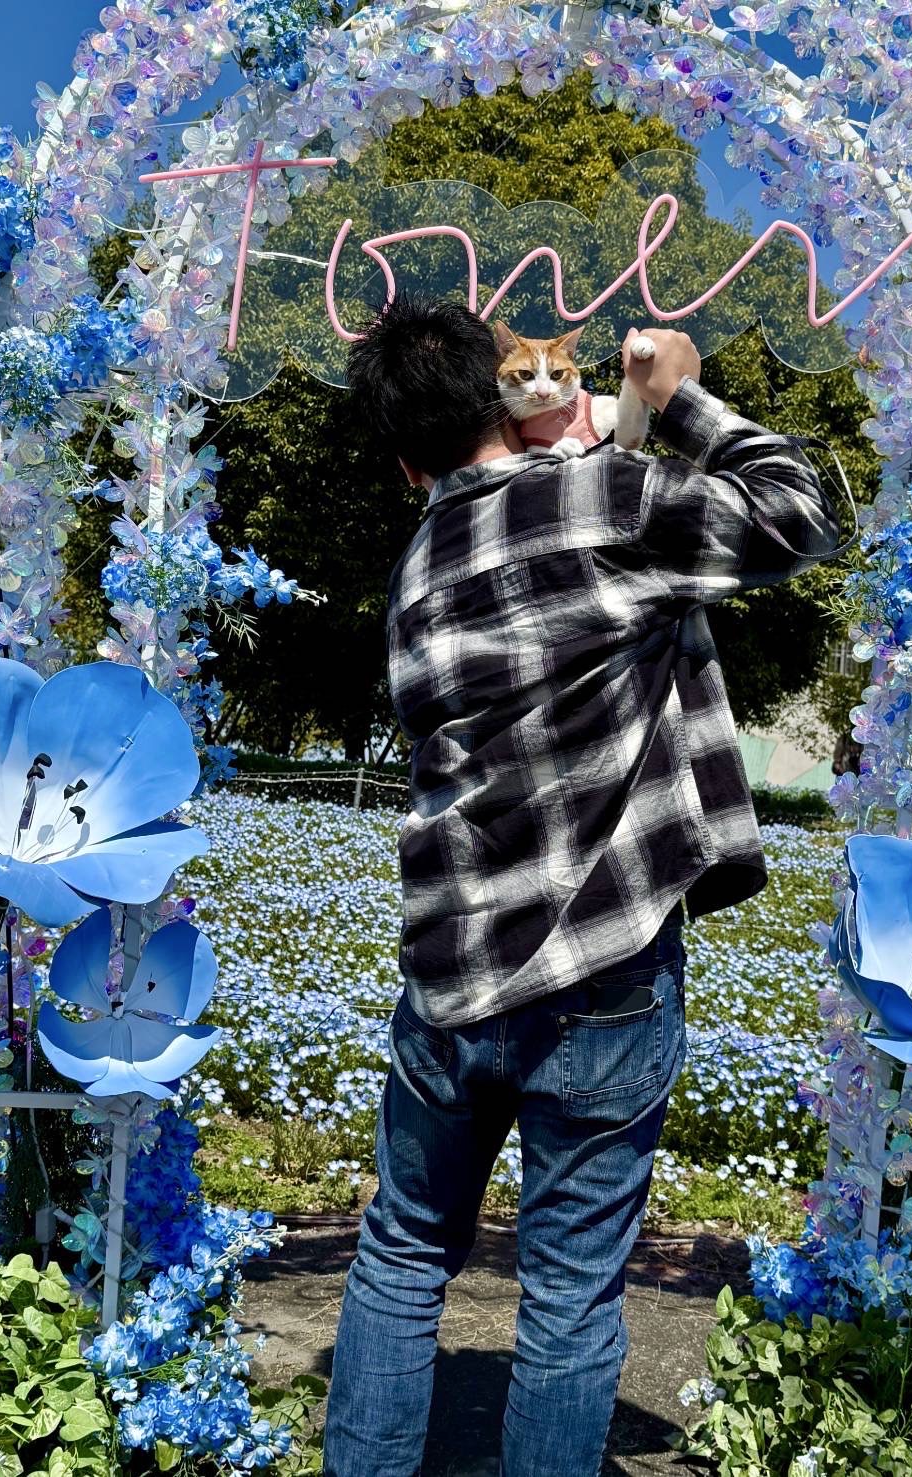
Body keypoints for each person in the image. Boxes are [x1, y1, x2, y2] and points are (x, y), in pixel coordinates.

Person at [323, 291, 850, 1477]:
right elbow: (802, 512)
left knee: (401, 1255)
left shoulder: (412, 574)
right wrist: (675, 400)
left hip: (450, 974)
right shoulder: (605, 498)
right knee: (567, 1294)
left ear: (406, 464)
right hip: (603, 965)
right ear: (501, 402)